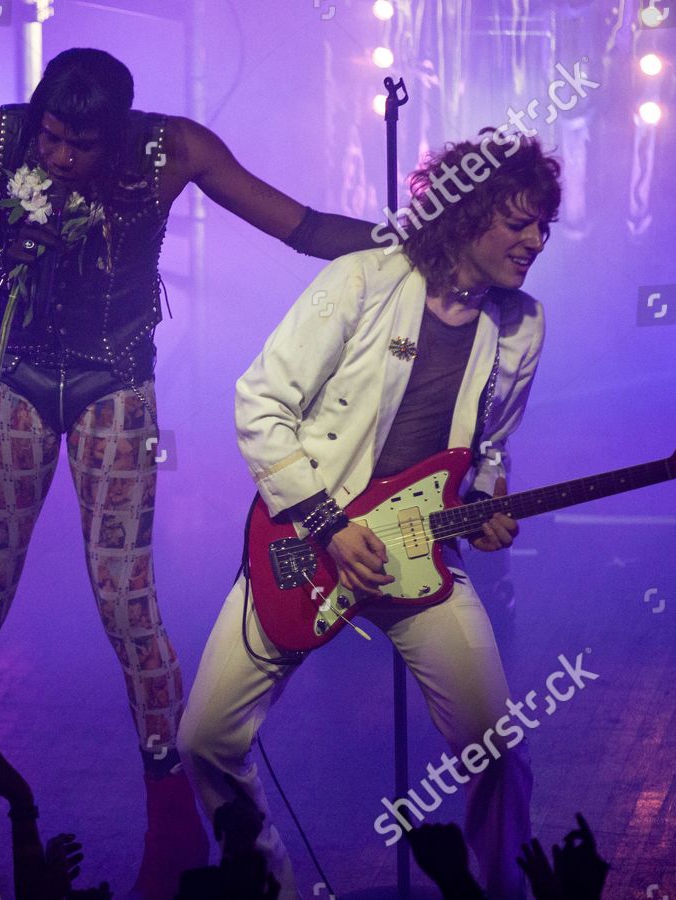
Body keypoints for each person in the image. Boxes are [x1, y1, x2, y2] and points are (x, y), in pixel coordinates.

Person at [0, 46, 378, 897]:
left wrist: (406, 242)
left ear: (118, 133)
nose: (59, 156)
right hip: (12, 381)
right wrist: (1, 257)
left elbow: (303, 229)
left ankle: (173, 821)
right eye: (52, 137)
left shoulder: (174, 150)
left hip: (114, 385)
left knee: (128, 602)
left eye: (78, 146)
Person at [178, 128, 562, 899]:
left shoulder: (521, 326)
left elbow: (490, 448)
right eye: (518, 222)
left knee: (494, 745)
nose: (535, 240)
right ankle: (269, 889)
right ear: (466, 213)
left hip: (418, 554)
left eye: (543, 225)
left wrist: (485, 503)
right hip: (311, 539)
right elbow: (261, 403)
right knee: (206, 739)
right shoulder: (361, 281)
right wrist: (328, 524)